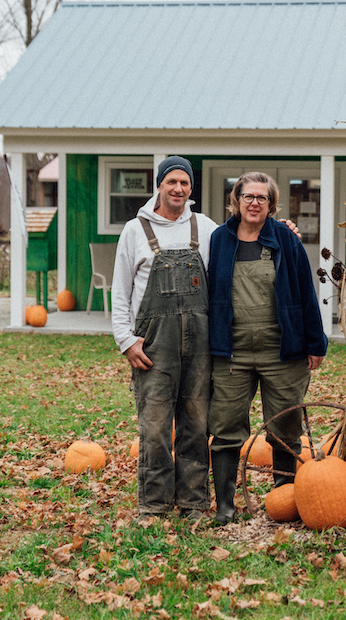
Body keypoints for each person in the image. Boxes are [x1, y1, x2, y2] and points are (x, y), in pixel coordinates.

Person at [207, 171, 329, 525]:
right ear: (237, 201)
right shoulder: (219, 239)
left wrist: (315, 342)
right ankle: (226, 506)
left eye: (262, 198)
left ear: (271, 204)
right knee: (227, 427)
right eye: (248, 197)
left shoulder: (285, 241)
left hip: (282, 351)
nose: (255, 203)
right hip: (232, 352)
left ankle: (283, 498)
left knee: (285, 428)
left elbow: (306, 292)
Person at [112, 156, 217, 519]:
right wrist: (126, 340)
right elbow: (120, 290)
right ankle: (154, 504)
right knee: (155, 427)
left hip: (200, 344)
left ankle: (193, 502)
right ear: (159, 185)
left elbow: (241, 241)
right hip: (153, 346)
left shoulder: (203, 227)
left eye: (184, 183)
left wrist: (280, 229)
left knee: (196, 423)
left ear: (191, 189)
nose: (178, 189)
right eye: (171, 182)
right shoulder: (135, 230)